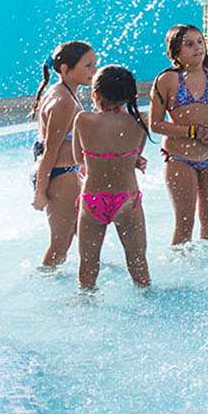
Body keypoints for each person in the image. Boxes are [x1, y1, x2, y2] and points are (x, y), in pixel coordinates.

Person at [149, 24, 208, 246]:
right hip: (180, 158)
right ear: (175, 52)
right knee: (185, 222)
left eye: (200, 42)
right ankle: (181, 265)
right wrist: (191, 132)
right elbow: (155, 124)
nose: (198, 47)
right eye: (189, 44)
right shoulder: (167, 80)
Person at [72, 65, 152, 291]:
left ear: (96, 94)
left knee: (88, 266)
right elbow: (136, 154)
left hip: (93, 199)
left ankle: (84, 303)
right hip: (127, 198)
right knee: (137, 262)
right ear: (130, 95)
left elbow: (78, 158)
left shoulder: (83, 120)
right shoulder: (140, 120)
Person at [30, 40, 96, 270]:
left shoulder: (63, 92)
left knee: (84, 234)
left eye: (94, 64)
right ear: (66, 69)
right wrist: (40, 191)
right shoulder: (63, 102)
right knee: (60, 246)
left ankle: (92, 274)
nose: (94, 71)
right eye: (87, 66)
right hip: (59, 176)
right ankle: (43, 281)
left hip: (64, 172)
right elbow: (51, 150)